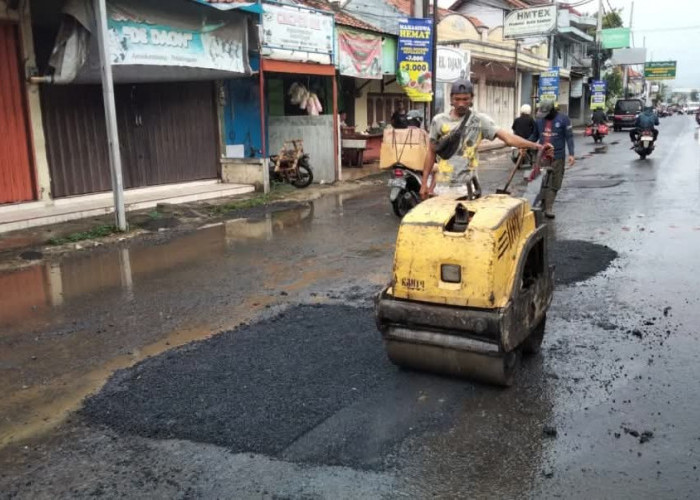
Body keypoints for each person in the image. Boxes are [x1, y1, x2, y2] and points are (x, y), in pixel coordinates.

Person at [419, 79, 548, 201]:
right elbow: (431, 152)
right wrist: (424, 183)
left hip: (467, 189)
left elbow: (508, 138)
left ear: (471, 99)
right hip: (441, 188)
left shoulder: (480, 120)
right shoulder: (438, 120)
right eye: (457, 99)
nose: (461, 103)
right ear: (451, 99)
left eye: (465, 99)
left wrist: (536, 146)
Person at [529, 100, 576, 219]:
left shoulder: (564, 119)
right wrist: (524, 144)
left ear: (552, 111)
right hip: (541, 156)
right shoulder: (539, 120)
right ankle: (538, 203)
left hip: (557, 157)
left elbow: (569, 137)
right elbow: (535, 136)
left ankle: (549, 207)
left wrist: (571, 154)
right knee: (538, 181)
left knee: (555, 183)